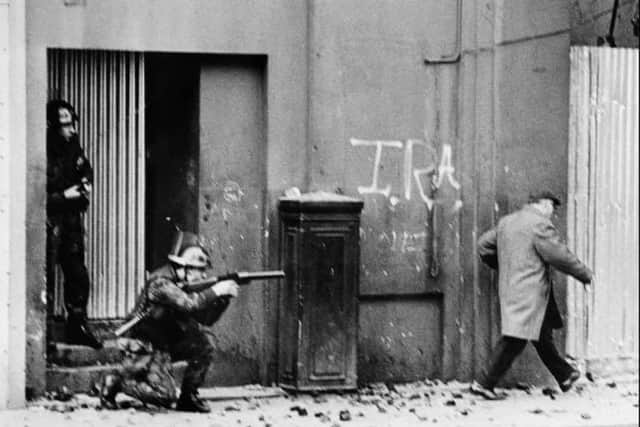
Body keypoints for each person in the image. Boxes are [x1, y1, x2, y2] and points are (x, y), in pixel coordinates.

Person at [470, 191, 593, 400]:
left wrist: (505, 264)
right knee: (516, 338)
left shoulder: (507, 222)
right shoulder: (539, 225)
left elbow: (483, 245)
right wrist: (585, 274)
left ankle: (566, 375)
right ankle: (484, 382)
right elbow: (558, 255)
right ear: (544, 204)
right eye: (553, 208)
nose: (552, 214)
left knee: (541, 334)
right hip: (530, 291)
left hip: (513, 287)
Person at [99, 231, 239, 413]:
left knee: (206, 343)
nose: (203, 276)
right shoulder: (160, 283)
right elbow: (190, 304)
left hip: (165, 342)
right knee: (164, 396)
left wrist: (223, 299)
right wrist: (216, 291)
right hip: (143, 346)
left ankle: (189, 397)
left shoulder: (182, 283)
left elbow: (206, 319)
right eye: (200, 270)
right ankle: (116, 382)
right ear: (184, 268)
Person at [46, 99, 102, 349]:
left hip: (71, 222)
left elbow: (84, 168)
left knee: (78, 274)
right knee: (43, 275)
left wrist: (85, 185)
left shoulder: (73, 148)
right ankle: (43, 337)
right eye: (66, 125)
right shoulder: (41, 152)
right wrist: (61, 197)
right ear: (53, 126)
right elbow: (32, 195)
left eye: (73, 124)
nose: (73, 130)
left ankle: (77, 328)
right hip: (50, 221)